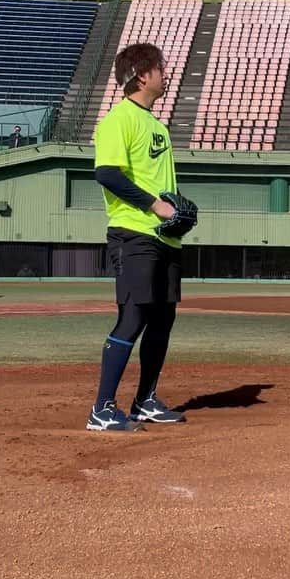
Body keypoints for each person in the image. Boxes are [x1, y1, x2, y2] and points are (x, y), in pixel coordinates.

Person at [87, 42, 186, 431]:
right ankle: (101, 408)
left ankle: (144, 400)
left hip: (165, 238)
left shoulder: (157, 125)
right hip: (133, 233)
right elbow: (107, 173)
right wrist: (154, 206)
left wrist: (176, 211)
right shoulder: (118, 119)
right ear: (142, 75)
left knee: (164, 317)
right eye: (161, 67)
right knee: (134, 316)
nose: (166, 73)